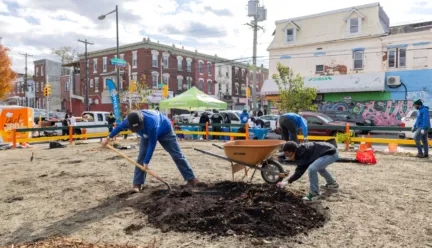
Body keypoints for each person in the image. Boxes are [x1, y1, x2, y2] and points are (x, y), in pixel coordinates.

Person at [101, 110, 199, 192]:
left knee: (176, 154)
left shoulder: (151, 122)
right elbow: (118, 128)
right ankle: (137, 184)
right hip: (146, 134)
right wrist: (108, 138)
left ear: (142, 122)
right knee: (141, 157)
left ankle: (191, 179)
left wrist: (146, 162)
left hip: (165, 130)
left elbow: (152, 145)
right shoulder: (128, 121)